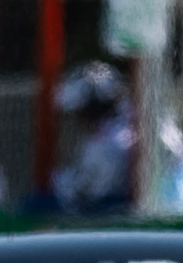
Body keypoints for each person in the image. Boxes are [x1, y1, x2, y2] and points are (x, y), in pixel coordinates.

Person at [51, 61, 136, 214]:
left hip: (108, 213)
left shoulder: (102, 145)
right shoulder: (128, 127)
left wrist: (61, 182)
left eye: (78, 112)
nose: (76, 119)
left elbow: (84, 194)